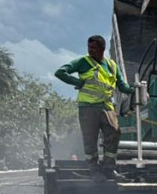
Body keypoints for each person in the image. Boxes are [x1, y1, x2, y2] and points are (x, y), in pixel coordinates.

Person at [55, 34, 133, 181]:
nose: (90, 50)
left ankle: (109, 168)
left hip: (106, 107)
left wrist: (134, 90)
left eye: (93, 48)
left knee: (114, 133)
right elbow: (60, 72)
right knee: (90, 139)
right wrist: (76, 82)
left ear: (102, 49)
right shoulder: (83, 62)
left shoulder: (112, 66)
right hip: (88, 108)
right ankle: (94, 170)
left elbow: (122, 85)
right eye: (89, 47)